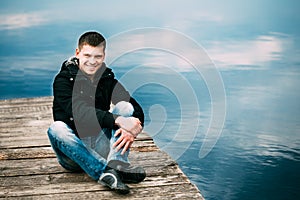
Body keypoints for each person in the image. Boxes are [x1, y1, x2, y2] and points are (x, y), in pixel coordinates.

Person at [47, 31, 146, 194]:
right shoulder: (63, 81)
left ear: (104, 56)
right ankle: (104, 172)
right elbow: (80, 113)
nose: (92, 62)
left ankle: (117, 165)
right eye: (87, 55)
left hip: (100, 144)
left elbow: (134, 107)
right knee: (56, 128)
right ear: (77, 53)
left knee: (126, 107)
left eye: (98, 56)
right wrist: (119, 121)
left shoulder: (106, 79)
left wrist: (135, 128)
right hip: (73, 153)